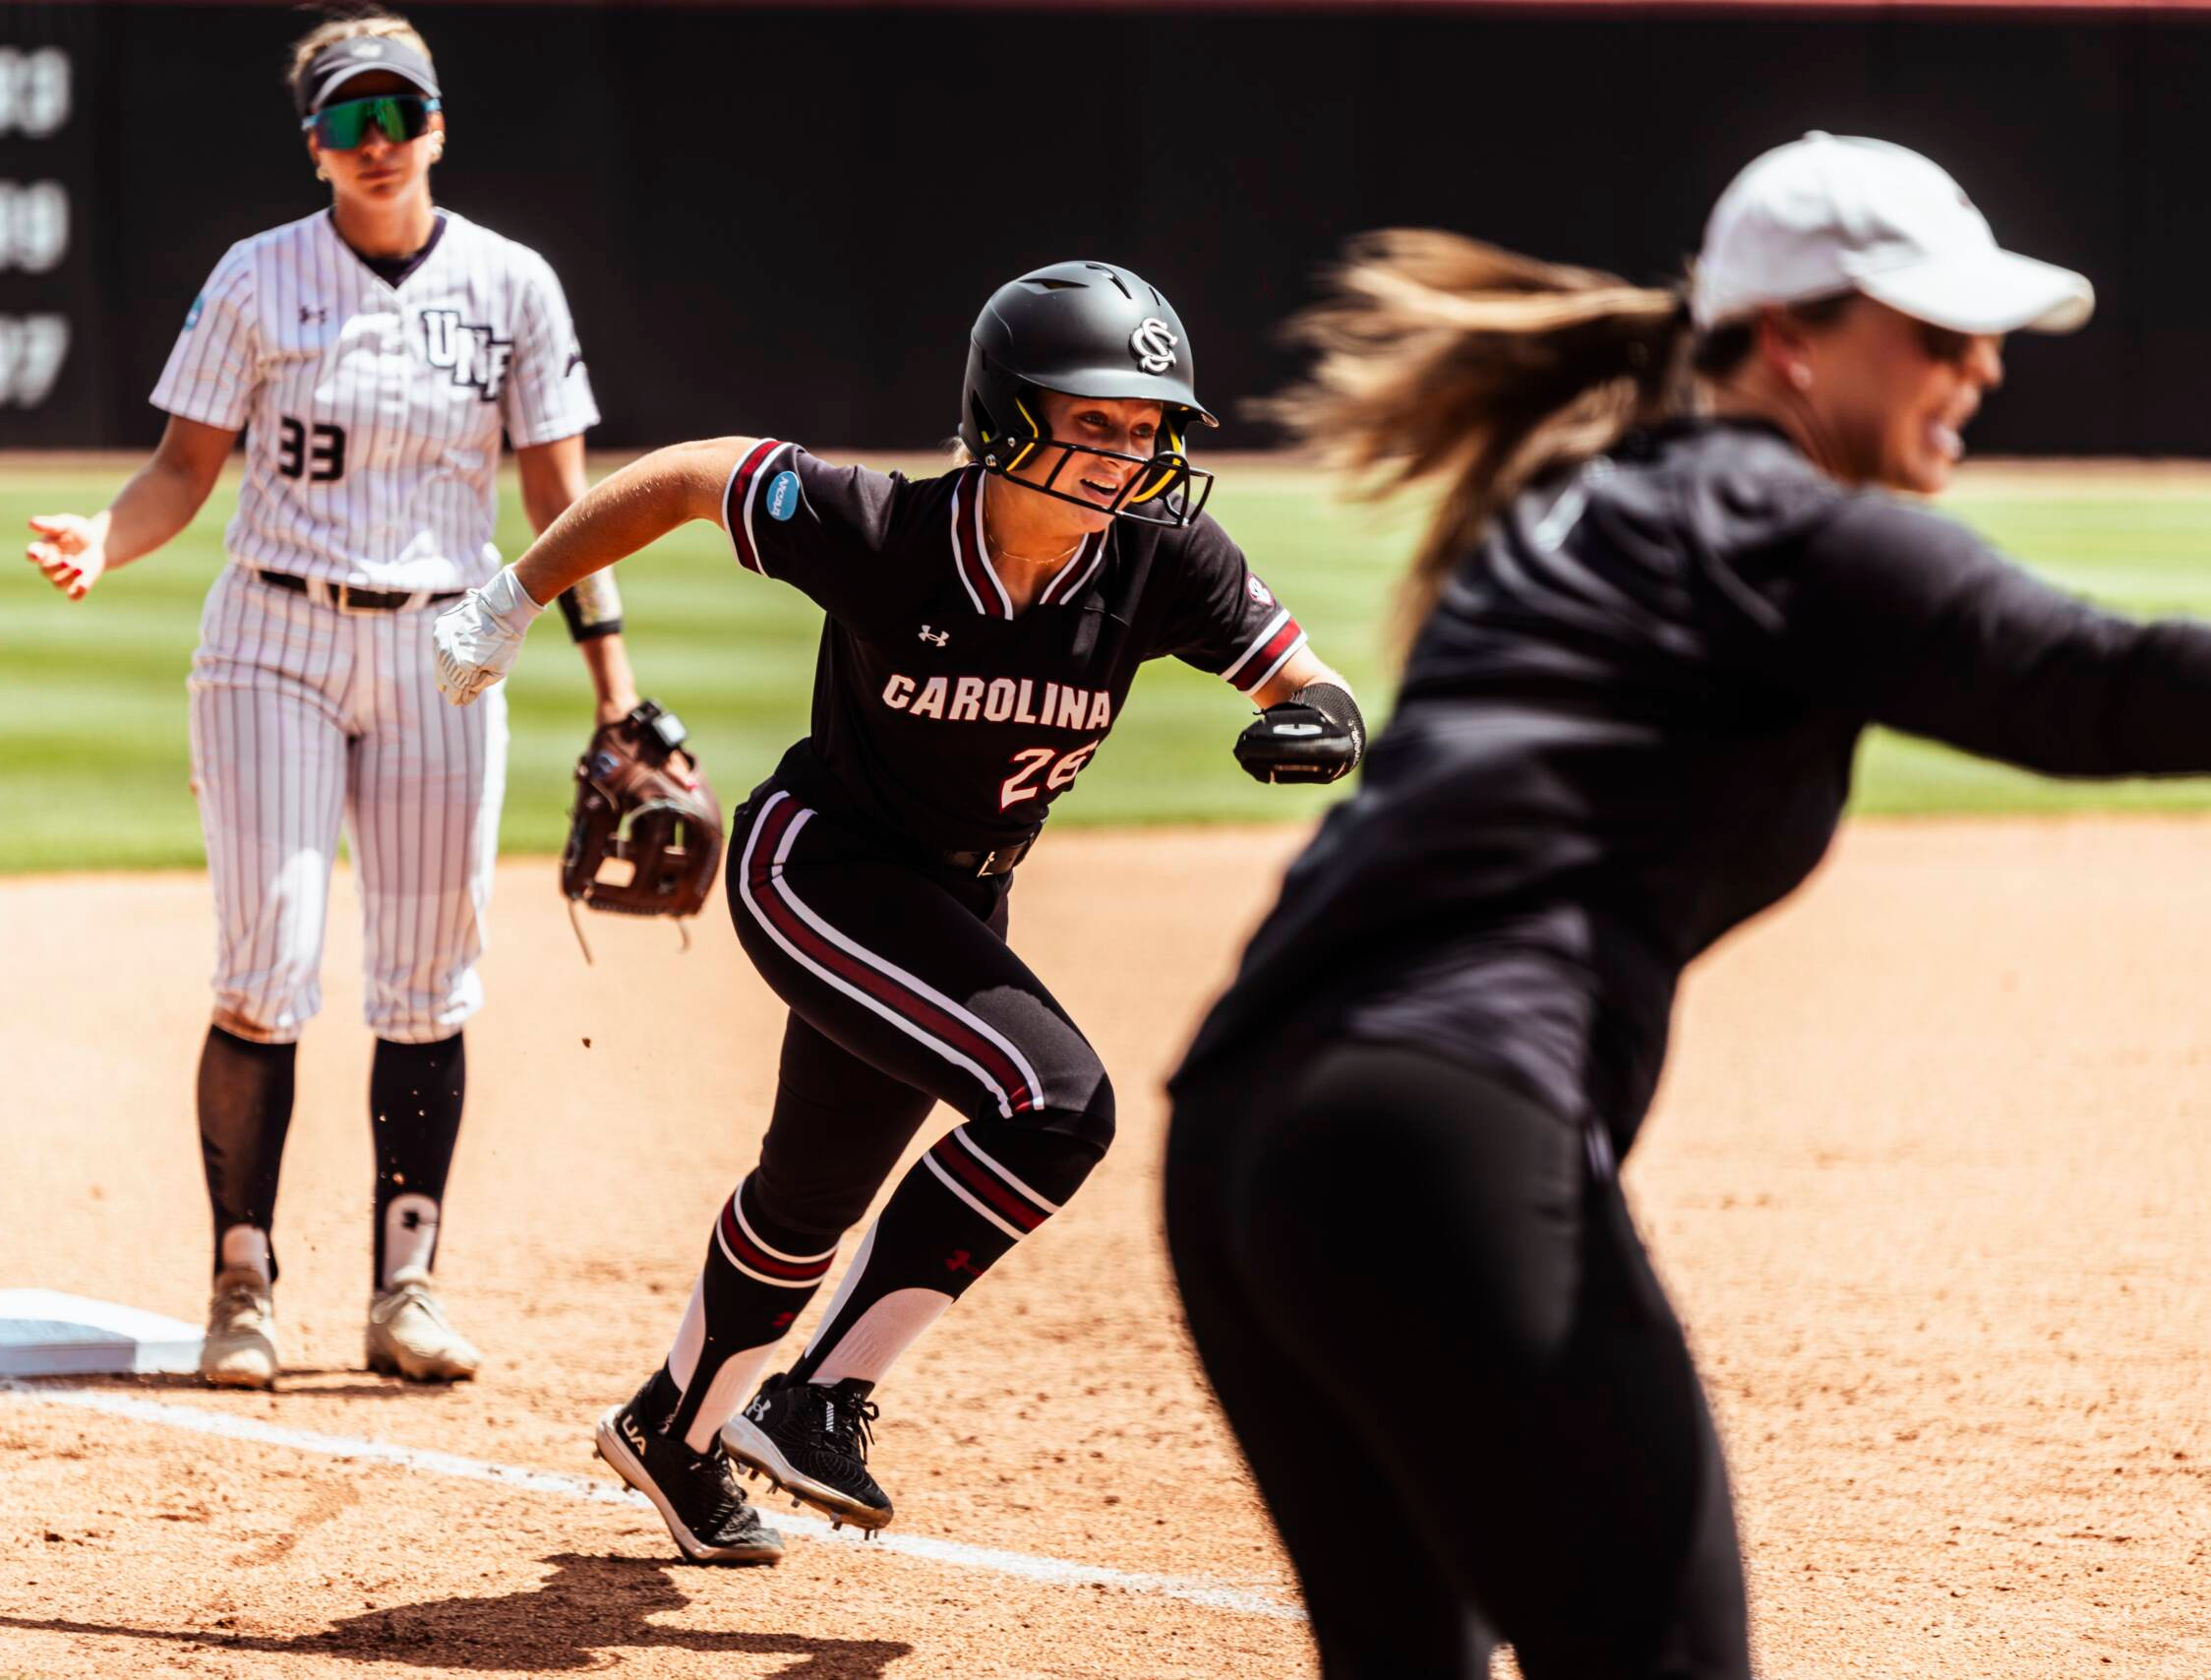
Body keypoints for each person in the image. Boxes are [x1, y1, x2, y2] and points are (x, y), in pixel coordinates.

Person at [1163, 131, 2211, 1679]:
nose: (1982, 366)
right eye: (1938, 331)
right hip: (1436, 1133)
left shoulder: (1579, 508)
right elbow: (2096, 687)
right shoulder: (1776, 527)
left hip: (1240, 1138)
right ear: (1790, 340)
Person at [432, 260, 1363, 1562]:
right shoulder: (886, 530)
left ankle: (671, 1431)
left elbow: (1311, 683)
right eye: (1093, 420)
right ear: (1006, 418)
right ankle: (819, 1396)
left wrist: (1323, 722)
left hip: (957, 903)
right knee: (1056, 1106)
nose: (1126, 453)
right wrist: (510, 599)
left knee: (807, 1199)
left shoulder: (1164, 560)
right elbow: (693, 475)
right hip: (817, 871)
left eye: (1148, 427)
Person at [22, 9, 656, 1390]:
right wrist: (106, 539)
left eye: (399, 114)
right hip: (273, 639)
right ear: (313, 143)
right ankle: (241, 1284)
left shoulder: (512, 286)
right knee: (268, 967)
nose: (378, 142)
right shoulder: (259, 277)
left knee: (427, 982)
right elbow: (183, 469)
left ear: (438, 127)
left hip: (445, 648)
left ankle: (404, 1289)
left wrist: (617, 688)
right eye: (349, 120)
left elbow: (566, 503)